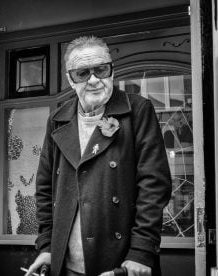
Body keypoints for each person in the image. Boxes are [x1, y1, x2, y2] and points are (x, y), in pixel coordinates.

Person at [25, 36, 172, 276]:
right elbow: (44, 189)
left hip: (121, 263)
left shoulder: (138, 111)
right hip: (67, 264)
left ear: (112, 71)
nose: (94, 80)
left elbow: (154, 185)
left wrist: (141, 252)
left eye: (101, 70)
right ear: (70, 79)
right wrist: (47, 247)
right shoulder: (57, 120)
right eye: (82, 73)